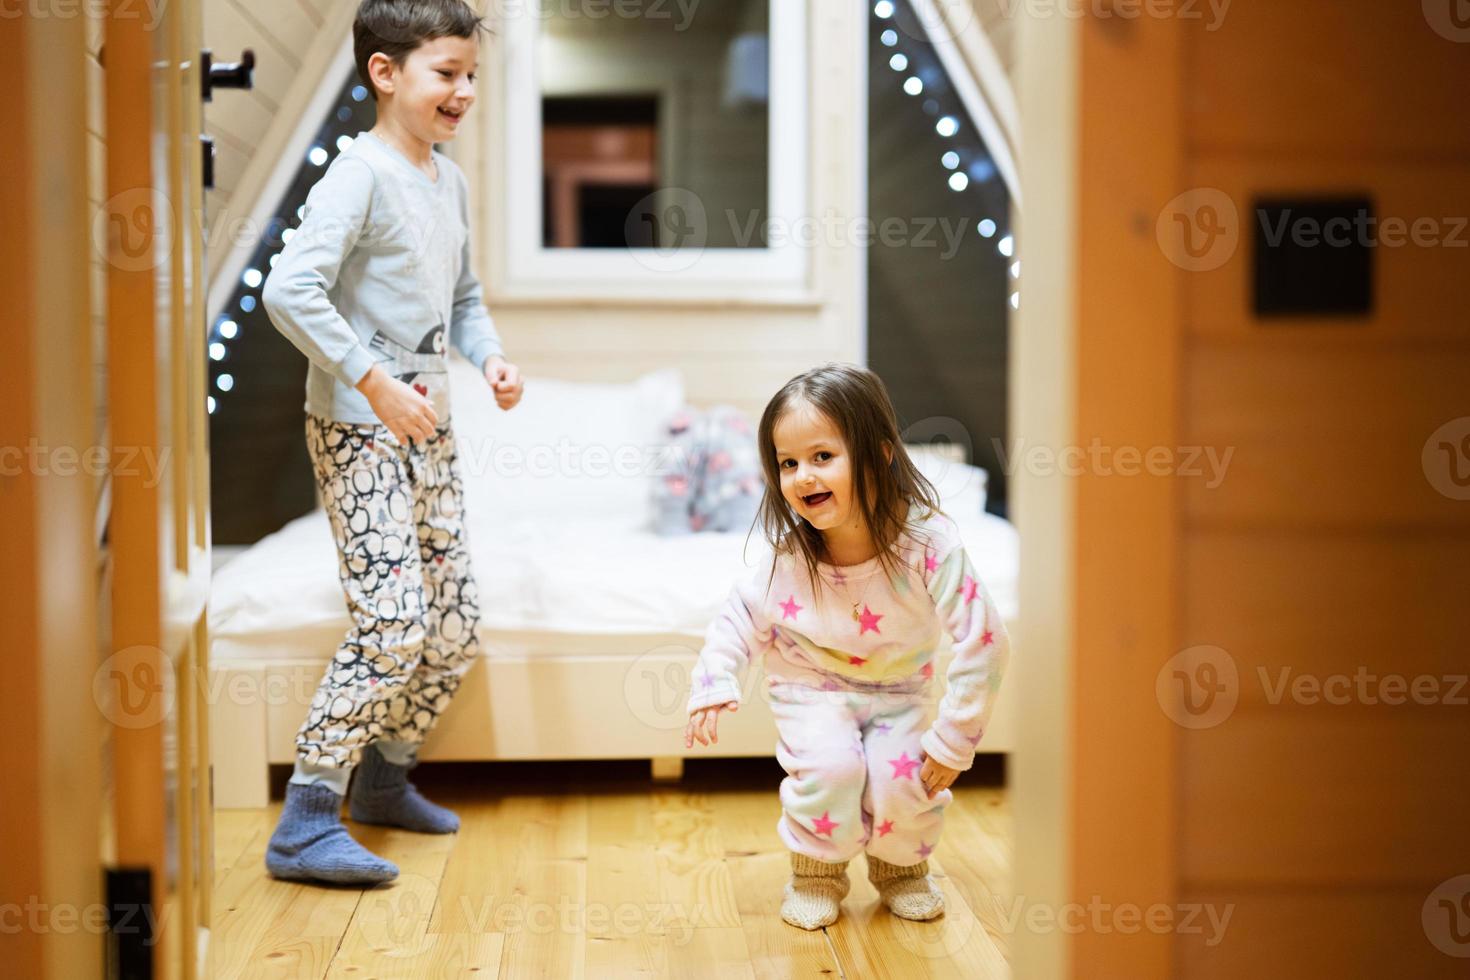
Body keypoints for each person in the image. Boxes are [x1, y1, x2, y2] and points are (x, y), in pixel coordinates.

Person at [258, 0, 523, 884]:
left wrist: (489, 360)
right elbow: (290, 289)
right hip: (359, 428)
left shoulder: (445, 181)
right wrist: (371, 380)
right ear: (386, 74)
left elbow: (463, 300)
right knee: (394, 624)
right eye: (447, 73)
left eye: (471, 76)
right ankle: (305, 819)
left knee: (452, 626)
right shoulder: (357, 174)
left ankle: (382, 781)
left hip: (429, 426)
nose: (465, 91)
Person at [684, 363, 1010, 929]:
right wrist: (714, 680)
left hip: (899, 689)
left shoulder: (928, 545)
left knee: (903, 779)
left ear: (879, 454)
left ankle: (901, 870)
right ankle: (815, 874)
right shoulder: (791, 555)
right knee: (831, 770)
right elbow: (738, 618)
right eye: (788, 464)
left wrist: (955, 736)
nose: (803, 476)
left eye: (821, 457)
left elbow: (984, 638)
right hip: (811, 686)